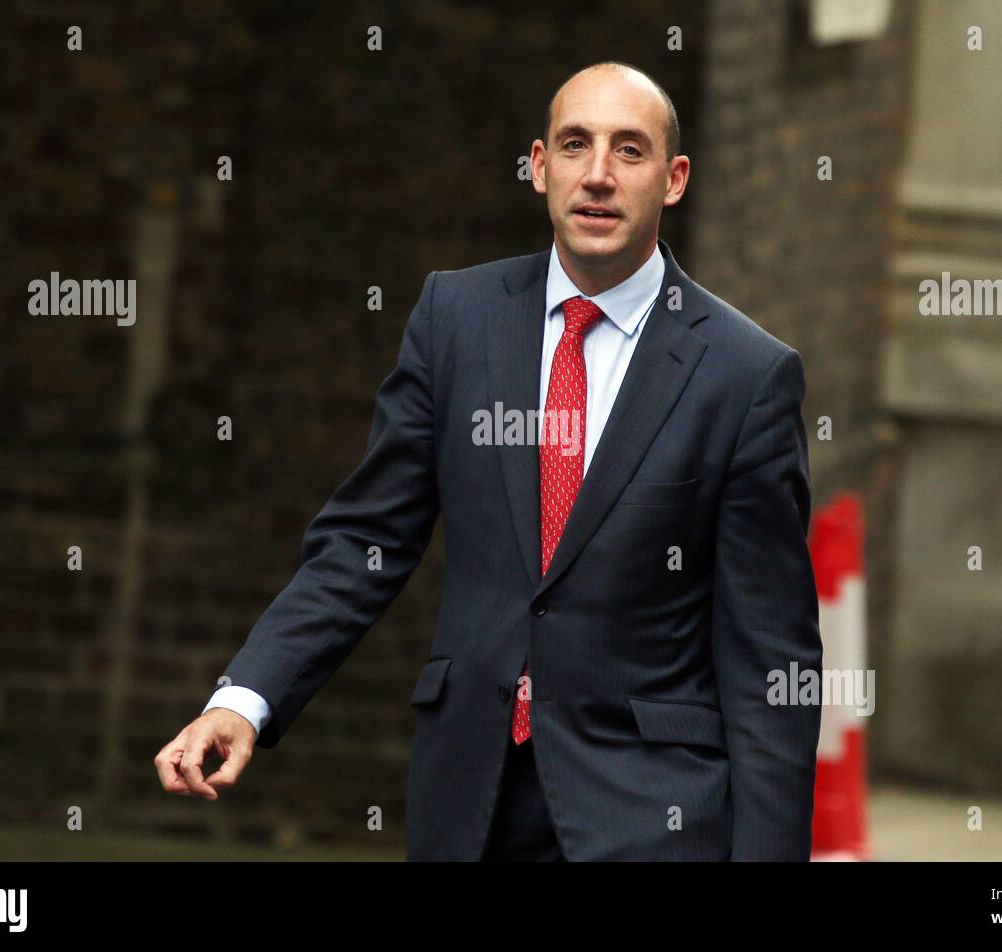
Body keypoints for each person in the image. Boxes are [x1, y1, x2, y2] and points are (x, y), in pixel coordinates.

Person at [154, 60, 822, 861]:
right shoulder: (456, 321)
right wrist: (245, 699)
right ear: (539, 166)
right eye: (576, 145)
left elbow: (770, 662)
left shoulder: (746, 376)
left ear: (674, 180)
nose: (599, 175)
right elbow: (364, 544)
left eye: (630, 151)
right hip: (467, 803)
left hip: (649, 816)